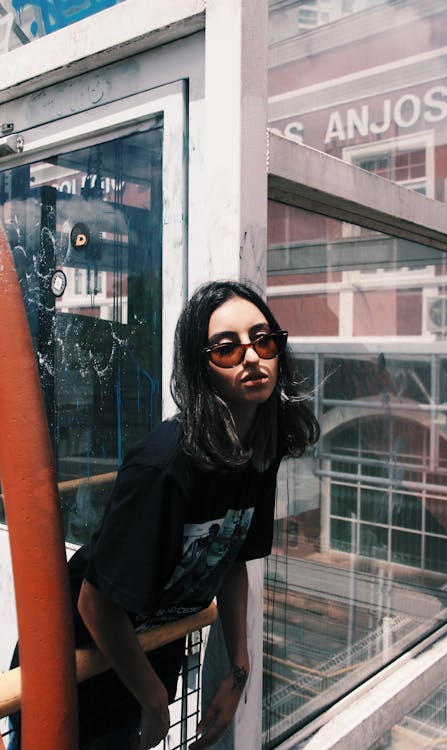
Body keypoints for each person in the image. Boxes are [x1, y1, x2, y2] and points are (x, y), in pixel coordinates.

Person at [11, 279, 320, 750]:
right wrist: (154, 700)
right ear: (202, 367)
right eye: (226, 349)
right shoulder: (165, 464)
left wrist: (238, 671)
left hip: (145, 660)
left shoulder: (260, 450)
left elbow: (233, 559)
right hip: (77, 666)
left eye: (263, 340)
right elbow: (95, 604)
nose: (252, 357)